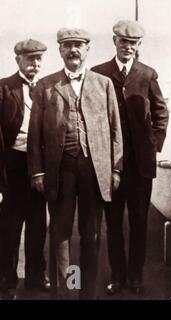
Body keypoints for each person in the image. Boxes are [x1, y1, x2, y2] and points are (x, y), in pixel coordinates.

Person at [27, 28, 123, 300]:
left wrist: (116, 169)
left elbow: (116, 130)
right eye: (68, 45)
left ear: (87, 49)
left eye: (79, 45)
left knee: (91, 235)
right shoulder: (46, 86)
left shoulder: (103, 84)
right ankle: (68, 292)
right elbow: (35, 135)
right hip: (61, 171)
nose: (73, 50)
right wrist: (37, 171)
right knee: (61, 234)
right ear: (60, 50)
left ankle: (87, 294)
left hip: (95, 171)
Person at [91, 20, 169, 295]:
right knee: (113, 225)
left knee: (139, 224)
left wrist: (154, 145)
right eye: (123, 42)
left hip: (140, 167)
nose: (128, 48)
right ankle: (117, 276)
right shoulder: (98, 74)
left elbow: (161, 112)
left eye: (133, 44)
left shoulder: (147, 74)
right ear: (115, 42)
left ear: (138, 46)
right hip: (110, 165)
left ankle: (135, 277)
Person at [0, 39, 50, 300]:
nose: (35, 64)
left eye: (39, 59)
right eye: (30, 59)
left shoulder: (45, 88)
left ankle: (35, 277)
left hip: (38, 167)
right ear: (17, 59)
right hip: (12, 167)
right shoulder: (3, 88)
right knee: (9, 227)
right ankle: (6, 278)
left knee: (38, 225)